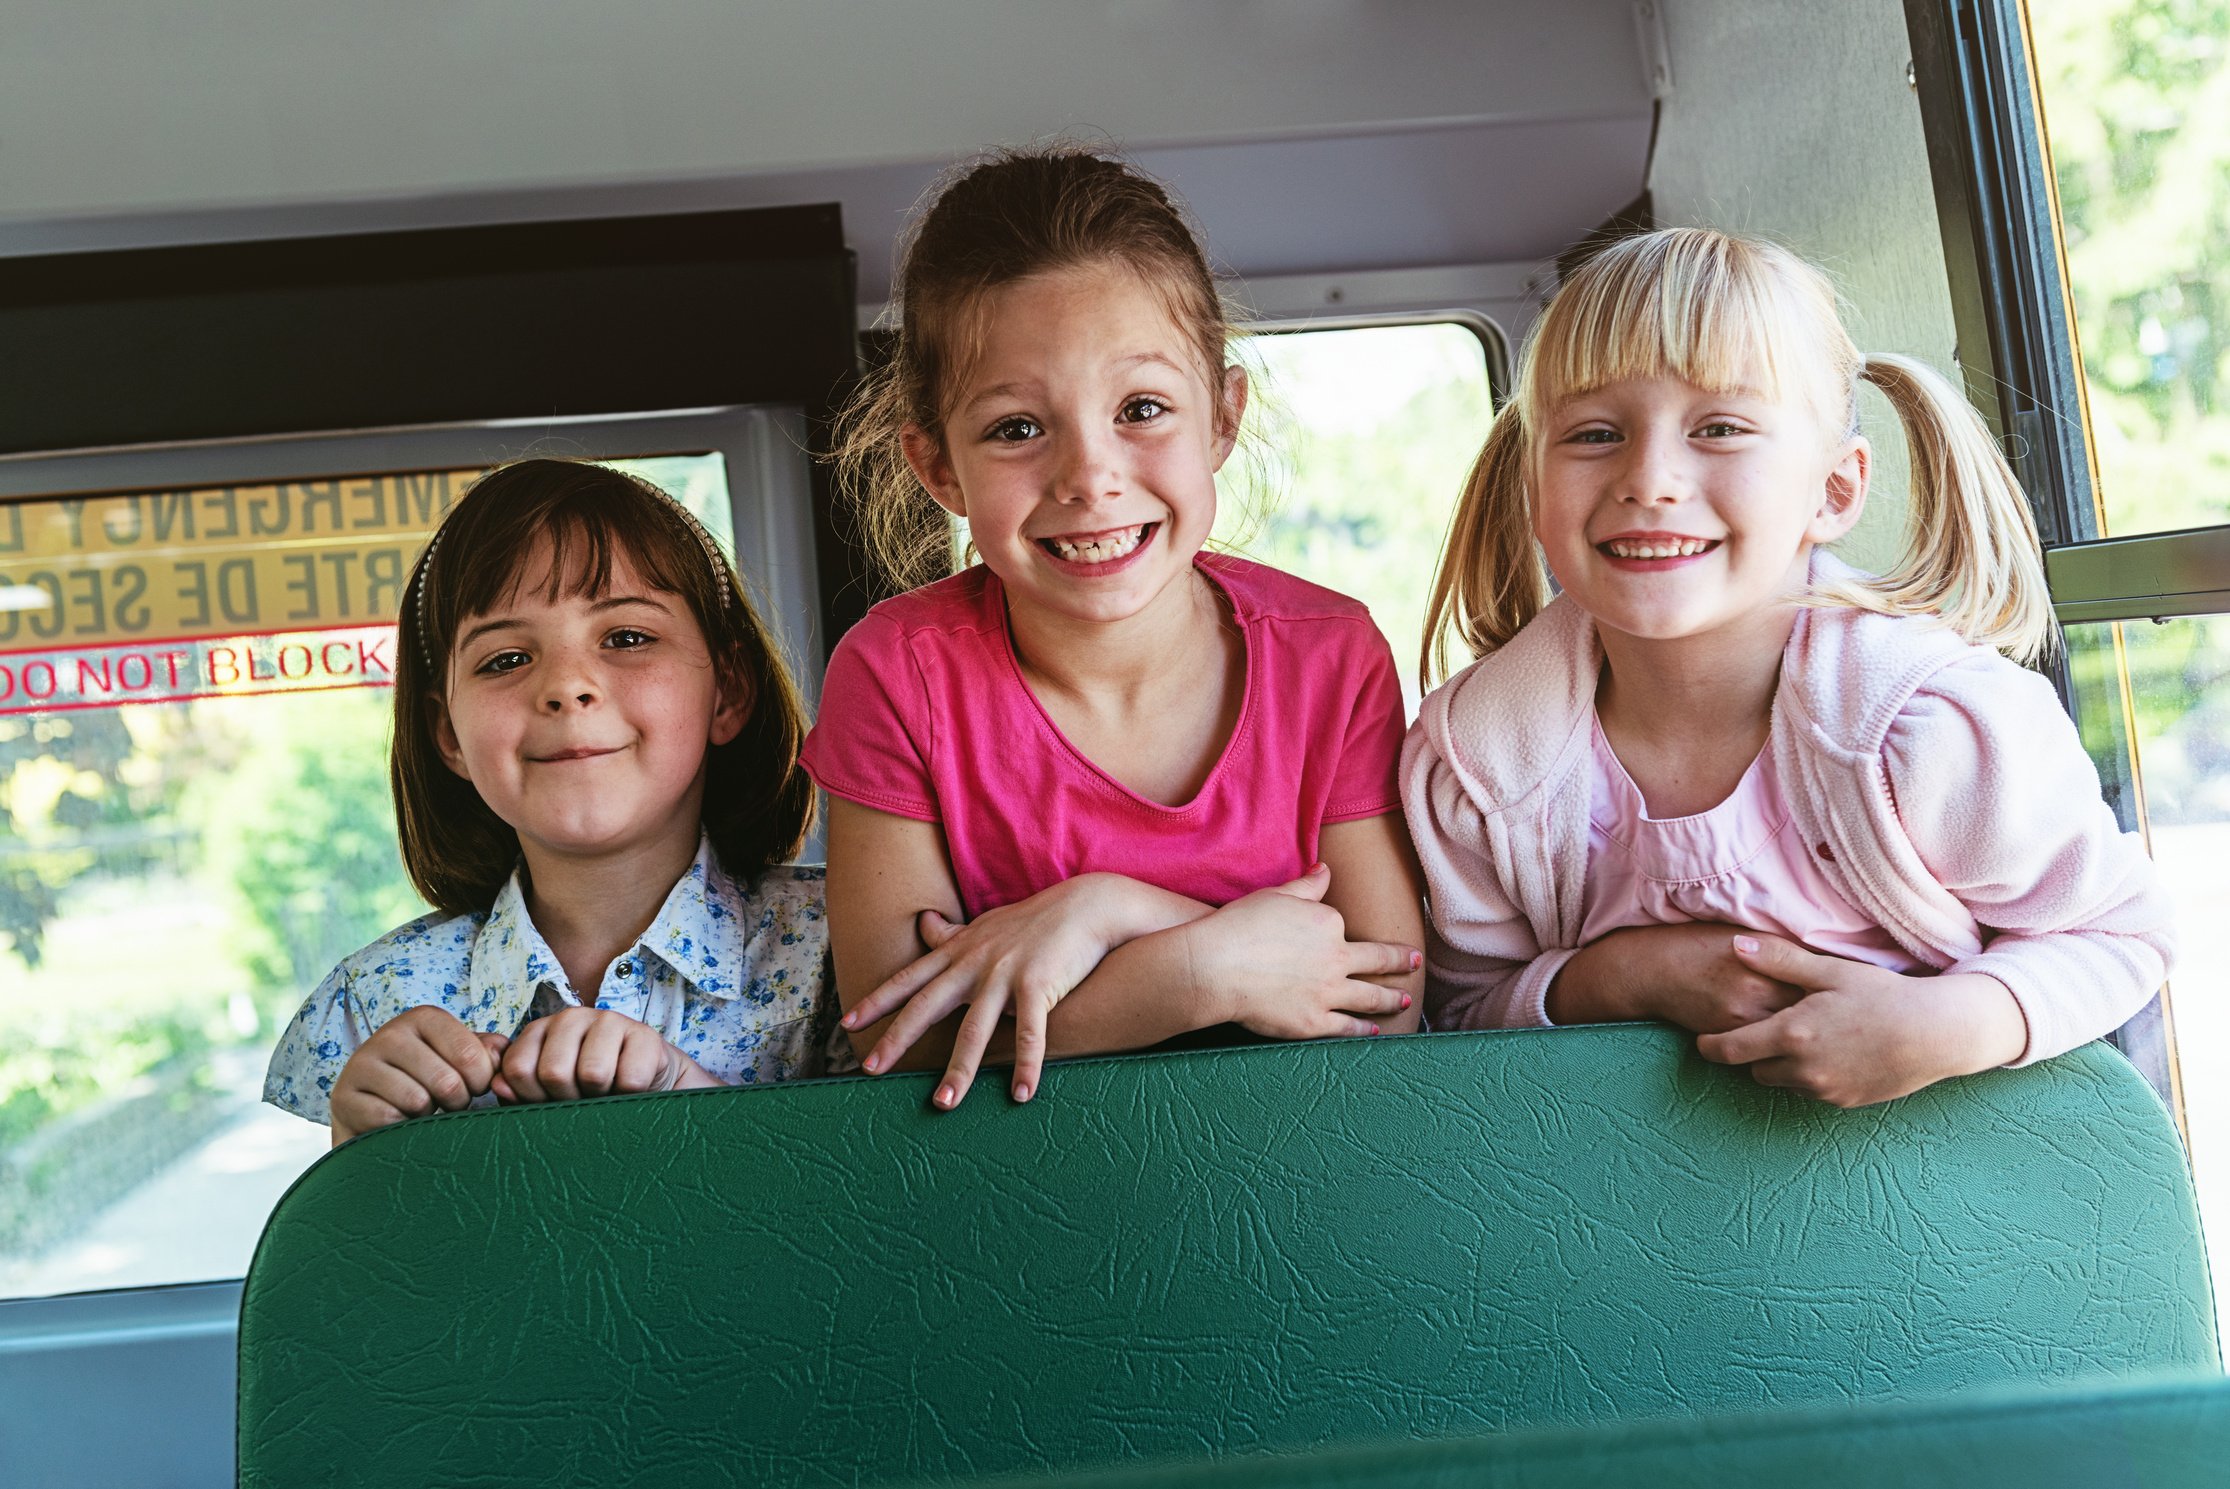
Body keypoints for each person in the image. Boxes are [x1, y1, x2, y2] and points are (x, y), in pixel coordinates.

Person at [1404, 227, 2174, 1108]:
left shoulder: (1930, 728)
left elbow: (2121, 931)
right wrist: (1615, 978)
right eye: (1594, 433)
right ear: (1535, 491)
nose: (1649, 478)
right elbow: (1461, 1018)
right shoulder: (1477, 763)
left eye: (1721, 428)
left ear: (1834, 491)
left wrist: (1944, 1025)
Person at [806, 145, 1426, 1110]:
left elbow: (1383, 999)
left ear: (1221, 418)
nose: (1089, 478)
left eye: (1141, 409)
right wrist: (1204, 970)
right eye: (1017, 427)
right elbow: (905, 1032)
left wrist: (1106, 909)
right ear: (936, 468)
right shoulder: (897, 675)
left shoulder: (1329, 652)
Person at [264, 459, 833, 1143]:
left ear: (728, 691)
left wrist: (687, 1096)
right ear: (448, 734)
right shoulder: (371, 1002)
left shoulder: (847, 954)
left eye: (627, 637)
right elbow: (351, 1252)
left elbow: (901, 1230)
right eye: (505, 659)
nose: (567, 686)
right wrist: (363, 1162)